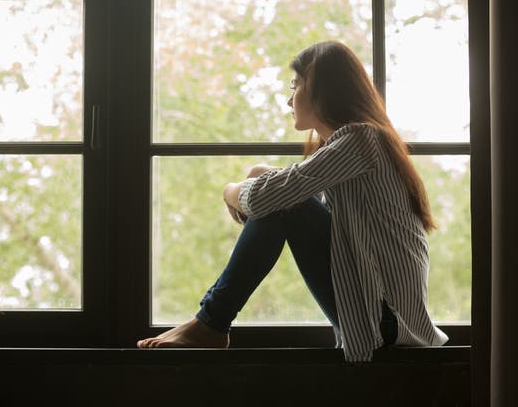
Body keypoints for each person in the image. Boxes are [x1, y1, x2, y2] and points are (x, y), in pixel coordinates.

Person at [137, 40, 449, 362]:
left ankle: (211, 323)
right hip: (379, 320)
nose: (289, 99)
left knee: (283, 202)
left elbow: (270, 199)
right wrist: (259, 175)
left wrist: (230, 190)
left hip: (385, 325)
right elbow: (294, 196)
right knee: (281, 197)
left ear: (322, 88)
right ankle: (209, 323)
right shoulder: (361, 145)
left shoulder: (360, 139)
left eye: (296, 85)